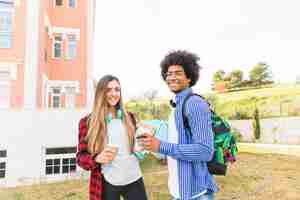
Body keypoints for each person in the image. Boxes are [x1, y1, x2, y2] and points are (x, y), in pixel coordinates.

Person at [139, 50, 218, 200]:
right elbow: (179, 141)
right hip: (179, 190)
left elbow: (205, 151)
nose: (172, 77)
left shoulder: (194, 104)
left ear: (189, 77)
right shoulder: (177, 105)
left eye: (178, 73)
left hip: (196, 193)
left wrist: (161, 146)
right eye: (168, 74)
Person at [76, 75, 147, 200]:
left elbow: (138, 145)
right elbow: (80, 157)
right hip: (107, 182)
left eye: (117, 89)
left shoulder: (130, 117)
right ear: (100, 93)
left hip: (133, 178)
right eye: (108, 90)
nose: (113, 94)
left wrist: (142, 147)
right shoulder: (87, 122)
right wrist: (96, 158)